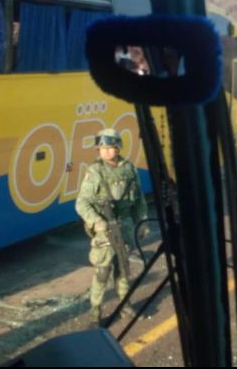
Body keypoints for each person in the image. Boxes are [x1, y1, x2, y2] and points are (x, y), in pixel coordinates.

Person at [76, 128, 149, 325]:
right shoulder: (95, 171)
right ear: (98, 150)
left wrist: (142, 221)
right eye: (103, 148)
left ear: (118, 148)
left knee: (123, 269)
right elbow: (82, 203)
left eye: (111, 147)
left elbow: (139, 199)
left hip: (125, 225)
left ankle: (125, 305)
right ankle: (95, 311)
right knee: (102, 271)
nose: (107, 151)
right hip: (105, 227)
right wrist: (96, 221)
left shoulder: (129, 169)